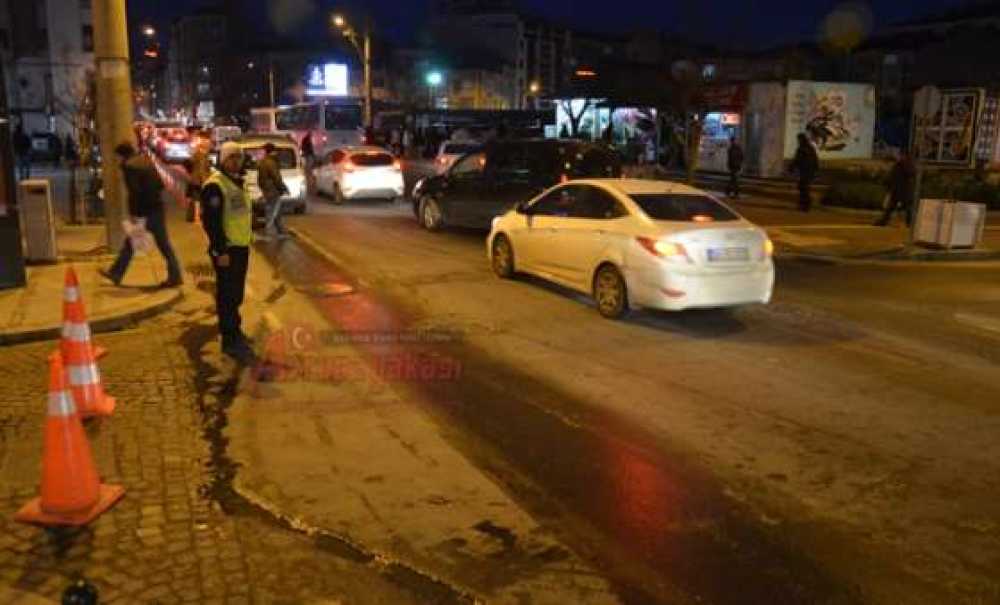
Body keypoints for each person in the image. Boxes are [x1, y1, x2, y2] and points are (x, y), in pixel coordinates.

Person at [201, 142, 256, 364]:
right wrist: (220, 249)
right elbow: (211, 222)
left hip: (241, 247)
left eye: (239, 157)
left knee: (236, 294)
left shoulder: (237, 182)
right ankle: (230, 339)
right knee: (227, 295)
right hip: (227, 249)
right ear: (222, 160)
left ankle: (235, 331)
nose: (236, 161)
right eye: (231, 158)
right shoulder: (215, 185)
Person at [99, 142, 183, 288]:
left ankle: (116, 273)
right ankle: (175, 275)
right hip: (156, 207)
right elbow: (160, 184)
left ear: (121, 156)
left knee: (140, 243)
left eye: (117, 157)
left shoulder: (129, 167)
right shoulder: (146, 160)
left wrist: (134, 213)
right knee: (152, 243)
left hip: (144, 211)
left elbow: (134, 192)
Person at [875, 151, 917, 227]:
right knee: (891, 207)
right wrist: (886, 183)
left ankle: (909, 223)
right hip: (897, 190)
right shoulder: (898, 165)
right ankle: (883, 221)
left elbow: (911, 174)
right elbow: (892, 177)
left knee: (907, 208)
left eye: (901, 155)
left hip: (904, 190)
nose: (899, 157)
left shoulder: (906, 165)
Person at [257, 142, 289, 238]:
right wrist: (283, 188)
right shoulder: (271, 162)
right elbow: (276, 177)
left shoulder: (263, 161)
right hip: (273, 190)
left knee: (276, 211)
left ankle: (281, 232)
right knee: (272, 212)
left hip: (268, 190)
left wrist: (263, 188)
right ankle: (267, 233)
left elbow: (260, 179)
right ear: (273, 151)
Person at [790, 133, 819, 212]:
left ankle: (805, 204)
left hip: (806, 171)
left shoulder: (802, 148)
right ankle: (804, 204)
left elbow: (797, 159)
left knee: (803, 187)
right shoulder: (810, 148)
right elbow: (815, 159)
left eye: (799, 139)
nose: (798, 141)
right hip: (808, 171)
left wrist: (791, 167)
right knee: (803, 187)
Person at [184, 138, 212, 222]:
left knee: (196, 199)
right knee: (197, 199)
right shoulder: (200, 154)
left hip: (197, 180)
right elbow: (202, 169)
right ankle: (197, 217)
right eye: (207, 145)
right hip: (199, 181)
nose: (208, 146)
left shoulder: (201, 154)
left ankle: (195, 216)